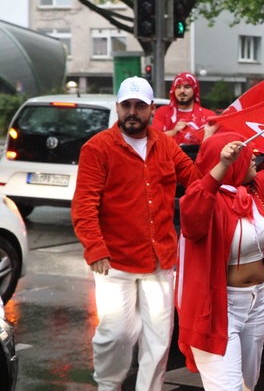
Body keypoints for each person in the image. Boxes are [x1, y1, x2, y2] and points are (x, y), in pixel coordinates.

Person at [71, 76, 202, 390]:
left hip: (160, 261)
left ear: (151, 109)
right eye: (127, 105)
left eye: (139, 105)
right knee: (117, 333)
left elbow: (196, 180)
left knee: (158, 339)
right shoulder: (97, 148)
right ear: (117, 106)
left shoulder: (166, 144)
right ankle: (108, 385)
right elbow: (84, 204)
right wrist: (95, 248)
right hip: (115, 261)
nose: (132, 111)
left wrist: (220, 155)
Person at [176, 100, 264, 390]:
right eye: (247, 155)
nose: (254, 158)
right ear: (231, 163)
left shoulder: (256, 190)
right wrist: (222, 164)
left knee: (248, 385)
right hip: (218, 309)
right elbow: (191, 215)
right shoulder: (208, 198)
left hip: (258, 302)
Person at [152, 72, 217, 145]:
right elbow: (153, 139)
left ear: (194, 89)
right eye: (178, 87)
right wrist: (173, 132)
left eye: (187, 87)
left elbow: (216, 144)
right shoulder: (162, 112)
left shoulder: (208, 116)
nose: (182, 91)